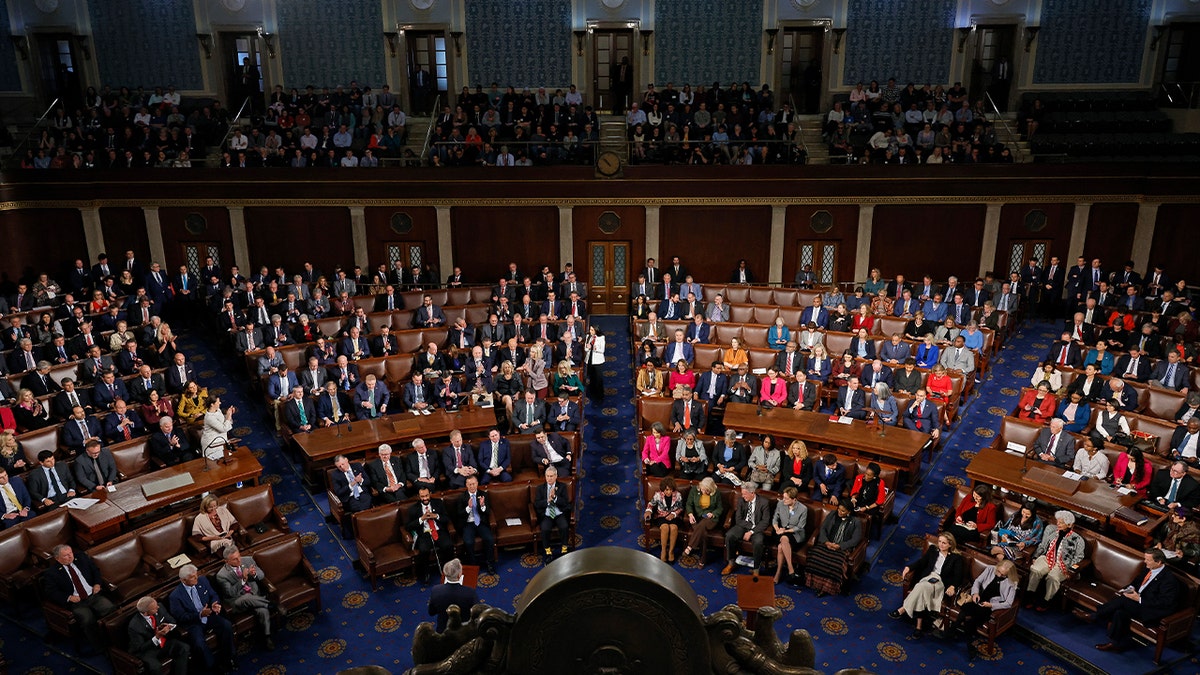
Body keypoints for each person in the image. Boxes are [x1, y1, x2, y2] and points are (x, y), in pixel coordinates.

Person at [1092, 548, 1181, 653]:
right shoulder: (1148, 569)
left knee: (1124, 601)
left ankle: (1095, 616)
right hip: (1137, 602)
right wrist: (1130, 589)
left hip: (1151, 610)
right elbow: (1135, 582)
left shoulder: (1169, 580)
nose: (1144, 562)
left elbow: (1165, 603)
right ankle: (1114, 644)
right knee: (1120, 612)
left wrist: (1139, 599)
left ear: (1158, 562)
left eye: (1148, 560)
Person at [889, 532, 965, 639]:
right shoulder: (933, 550)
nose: (941, 545)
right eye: (939, 542)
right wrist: (909, 567)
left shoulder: (956, 558)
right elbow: (922, 562)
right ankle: (918, 627)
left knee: (920, 587)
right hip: (928, 577)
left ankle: (903, 609)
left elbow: (958, 576)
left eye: (944, 543)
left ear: (950, 545)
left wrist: (953, 586)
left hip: (941, 582)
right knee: (922, 590)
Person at [940, 559, 1020, 660]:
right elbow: (977, 581)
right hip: (978, 599)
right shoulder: (990, 569)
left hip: (990, 607)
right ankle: (965, 642)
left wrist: (991, 605)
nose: (999, 575)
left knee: (968, 618)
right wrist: (975, 593)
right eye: (998, 571)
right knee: (965, 610)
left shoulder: (1012, 583)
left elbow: (1008, 603)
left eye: (1003, 574)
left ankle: (955, 633)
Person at [43, 544, 116, 652]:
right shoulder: (51, 573)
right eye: (66, 556)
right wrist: (68, 597)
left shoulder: (81, 557)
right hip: (77, 603)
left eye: (70, 553)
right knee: (88, 620)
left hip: (93, 595)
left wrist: (97, 584)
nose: (70, 557)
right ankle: (100, 648)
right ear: (57, 558)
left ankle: (115, 640)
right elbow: (51, 592)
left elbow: (95, 570)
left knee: (110, 609)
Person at [168, 564, 235, 673]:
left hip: (209, 615)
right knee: (199, 643)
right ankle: (213, 667)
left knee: (226, 625)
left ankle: (229, 658)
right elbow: (181, 617)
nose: (196, 578)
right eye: (193, 577)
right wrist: (199, 615)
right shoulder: (175, 596)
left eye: (196, 575)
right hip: (193, 623)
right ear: (184, 580)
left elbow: (213, 595)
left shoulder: (203, 580)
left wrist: (214, 603)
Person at [214, 546, 274, 650]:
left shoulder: (248, 560)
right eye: (235, 559)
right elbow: (230, 593)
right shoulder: (221, 575)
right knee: (246, 597)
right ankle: (274, 605)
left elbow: (261, 575)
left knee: (263, 610)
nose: (239, 560)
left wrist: (254, 574)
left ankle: (267, 637)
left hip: (255, 597)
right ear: (226, 561)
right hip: (238, 601)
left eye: (239, 556)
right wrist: (242, 579)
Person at [1025, 510, 1086, 610]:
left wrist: (1070, 570)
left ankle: (1046, 601)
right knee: (1036, 570)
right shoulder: (1051, 530)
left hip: (1063, 564)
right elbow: (1043, 545)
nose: (1058, 524)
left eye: (1061, 522)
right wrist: (1035, 557)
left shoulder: (1078, 540)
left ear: (1069, 524)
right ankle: (1029, 595)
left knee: (1053, 577)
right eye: (1058, 521)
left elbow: (1078, 557)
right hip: (1047, 558)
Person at [805, 501, 863, 597]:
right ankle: (814, 583)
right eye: (839, 509)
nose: (839, 512)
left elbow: (855, 539)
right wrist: (826, 542)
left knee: (835, 564)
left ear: (848, 512)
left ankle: (826, 588)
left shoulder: (855, 522)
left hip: (842, 548)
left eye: (843, 511)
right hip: (827, 544)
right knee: (814, 556)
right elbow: (823, 528)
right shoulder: (832, 514)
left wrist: (840, 546)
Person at [128, 595, 190, 675]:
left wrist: (168, 626)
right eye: (154, 608)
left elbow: (172, 621)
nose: (158, 607)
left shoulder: (159, 606)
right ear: (146, 612)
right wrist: (157, 637)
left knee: (183, 648)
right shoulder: (134, 625)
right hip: (147, 650)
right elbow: (141, 647)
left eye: (156, 605)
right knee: (155, 667)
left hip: (164, 642)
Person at [721, 481, 771, 578]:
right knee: (729, 536)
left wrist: (752, 531)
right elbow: (738, 519)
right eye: (742, 493)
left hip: (757, 529)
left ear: (752, 493)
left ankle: (756, 569)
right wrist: (750, 527)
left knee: (758, 542)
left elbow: (765, 522)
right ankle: (731, 562)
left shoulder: (764, 502)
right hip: (743, 525)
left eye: (744, 494)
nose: (743, 496)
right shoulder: (741, 500)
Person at [456, 476, 497, 574]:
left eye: (474, 484)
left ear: (477, 483)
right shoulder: (462, 497)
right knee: (468, 542)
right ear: (466, 485)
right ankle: (473, 565)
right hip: (468, 524)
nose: (472, 486)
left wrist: (482, 505)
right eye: (470, 484)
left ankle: (490, 563)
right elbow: (459, 514)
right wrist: (469, 507)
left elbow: (487, 511)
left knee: (489, 539)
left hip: (481, 523)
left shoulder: (483, 494)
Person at [428, 558, 479, 633]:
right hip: (464, 632)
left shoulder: (435, 590)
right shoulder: (470, 592)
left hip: (443, 631)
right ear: (459, 575)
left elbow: (431, 612)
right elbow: (477, 613)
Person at [535, 466, 572, 564]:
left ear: (556, 476)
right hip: (547, 514)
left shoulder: (562, 486)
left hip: (558, 512)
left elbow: (565, 502)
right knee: (545, 528)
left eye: (551, 476)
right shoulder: (540, 488)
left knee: (564, 526)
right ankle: (548, 552)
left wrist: (555, 498)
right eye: (547, 476)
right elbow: (537, 504)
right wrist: (547, 501)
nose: (549, 478)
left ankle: (564, 549)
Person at [681, 477, 724, 559]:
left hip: (711, 519)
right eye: (702, 489)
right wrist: (690, 514)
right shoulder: (694, 490)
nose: (703, 492)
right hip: (698, 517)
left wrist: (713, 514)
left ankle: (689, 547)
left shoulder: (716, 492)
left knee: (702, 525)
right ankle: (703, 559)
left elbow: (720, 508)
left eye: (706, 490)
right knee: (703, 533)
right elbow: (689, 504)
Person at [644, 477, 684, 562]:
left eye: (670, 490)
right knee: (665, 527)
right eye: (666, 490)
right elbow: (651, 504)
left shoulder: (678, 495)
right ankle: (663, 550)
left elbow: (681, 508)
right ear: (663, 489)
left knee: (673, 528)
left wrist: (674, 514)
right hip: (661, 516)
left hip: (674, 516)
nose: (669, 492)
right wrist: (648, 511)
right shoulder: (658, 495)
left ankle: (671, 551)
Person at [772, 487, 807, 584]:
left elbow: (800, 527)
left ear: (794, 499)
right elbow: (775, 519)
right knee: (782, 540)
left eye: (786, 498)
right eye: (784, 497)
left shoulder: (803, 509)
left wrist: (785, 531)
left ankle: (779, 573)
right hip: (781, 531)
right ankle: (790, 570)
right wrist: (777, 529)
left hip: (796, 534)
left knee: (780, 546)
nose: (784, 500)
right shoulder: (780, 504)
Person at [584, 325, 605, 401]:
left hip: (598, 361)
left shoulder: (601, 337)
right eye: (590, 330)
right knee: (591, 378)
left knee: (598, 379)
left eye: (592, 330)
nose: (590, 331)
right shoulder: (588, 337)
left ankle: (600, 395)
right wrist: (588, 347)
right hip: (589, 360)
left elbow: (602, 350)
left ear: (596, 330)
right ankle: (592, 394)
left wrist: (593, 347)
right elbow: (586, 349)